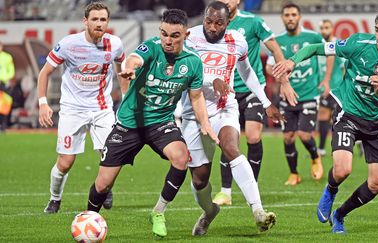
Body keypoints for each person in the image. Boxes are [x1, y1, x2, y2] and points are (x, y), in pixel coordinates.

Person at [273, 7, 378, 234]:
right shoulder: (358, 43)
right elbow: (313, 48)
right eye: (377, 30)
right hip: (348, 112)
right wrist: (292, 61)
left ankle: (340, 214)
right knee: (342, 170)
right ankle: (330, 190)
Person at [85, 9, 218, 238]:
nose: (168, 40)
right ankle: (89, 220)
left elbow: (196, 97)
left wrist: (205, 123)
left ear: (185, 35)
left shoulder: (194, 62)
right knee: (102, 185)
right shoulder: (151, 47)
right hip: (129, 124)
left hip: (161, 123)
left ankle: (158, 211)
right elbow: (135, 58)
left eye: (175, 36)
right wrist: (129, 67)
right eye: (164, 34)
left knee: (181, 157)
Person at [181, 1, 284, 236]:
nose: (213, 27)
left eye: (219, 23)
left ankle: (258, 211)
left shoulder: (238, 40)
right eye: (209, 21)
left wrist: (266, 102)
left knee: (231, 148)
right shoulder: (191, 38)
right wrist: (211, 80)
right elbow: (185, 72)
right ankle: (209, 212)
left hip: (224, 107)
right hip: (194, 114)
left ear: (228, 23)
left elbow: (246, 72)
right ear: (204, 18)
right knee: (200, 179)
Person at [37, 2, 126, 213]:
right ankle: (55, 198)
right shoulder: (68, 44)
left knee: (112, 157)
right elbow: (44, 73)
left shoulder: (115, 44)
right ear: (85, 21)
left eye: (103, 19)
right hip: (72, 109)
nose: (99, 23)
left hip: (102, 109)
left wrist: (125, 99)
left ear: (108, 22)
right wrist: (43, 103)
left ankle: (103, 187)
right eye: (94, 19)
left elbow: (122, 69)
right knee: (66, 162)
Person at [213, 0, 297, 206]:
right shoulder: (214, 24)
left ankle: (252, 184)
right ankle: (226, 192)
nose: (225, 1)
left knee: (252, 136)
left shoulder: (253, 22)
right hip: (227, 92)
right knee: (228, 140)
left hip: (253, 90)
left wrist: (284, 81)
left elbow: (276, 51)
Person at [266, 3, 333, 186]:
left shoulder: (312, 36)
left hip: (309, 94)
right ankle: (294, 173)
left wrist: (326, 80)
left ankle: (315, 156)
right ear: (282, 18)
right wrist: (279, 74)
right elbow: (269, 66)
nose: (290, 18)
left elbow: (331, 53)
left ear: (299, 16)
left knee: (304, 134)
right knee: (288, 137)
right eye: (286, 15)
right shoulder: (277, 40)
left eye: (293, 14)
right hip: (286, 96)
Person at [316, 19, 344, 156]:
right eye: (322, 27)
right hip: (323, 88)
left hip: (337, 88)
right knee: (323, 115)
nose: (324, 30)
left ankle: (351, 144)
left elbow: (345, 67)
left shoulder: (338, 45)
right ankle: (321, 148)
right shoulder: (319, 45)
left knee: (338, 119)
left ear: (332, 28)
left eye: (326, 27)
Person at [0, 41, 15, 131]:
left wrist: (6, 78)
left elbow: (11, 70)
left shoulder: (7, 57)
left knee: (4, 105)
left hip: (4, 83)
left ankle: (3, 125)